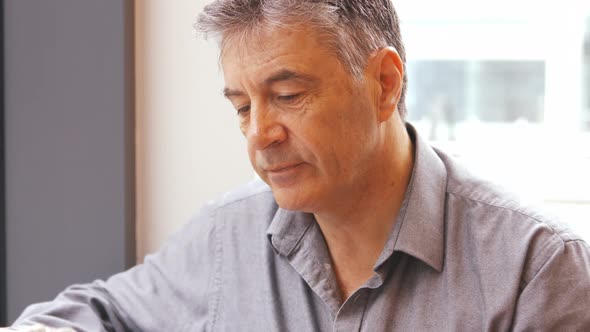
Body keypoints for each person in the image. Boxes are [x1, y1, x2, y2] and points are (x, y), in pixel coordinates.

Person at [5, 0, 590, 331]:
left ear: (384, 84)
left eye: (288, 96)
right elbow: (95, 315)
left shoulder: (536, 269)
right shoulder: (225, 236)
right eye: (241, 106)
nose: (260, 133)